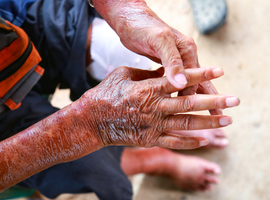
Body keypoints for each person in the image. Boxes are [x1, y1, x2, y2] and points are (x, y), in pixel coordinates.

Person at [0, 0, 239, 199]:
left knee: (122, 52)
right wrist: (90, 126)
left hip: (11, 27)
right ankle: (155, 159)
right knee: (85, 164)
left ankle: (161, 123)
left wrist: (125, 9)